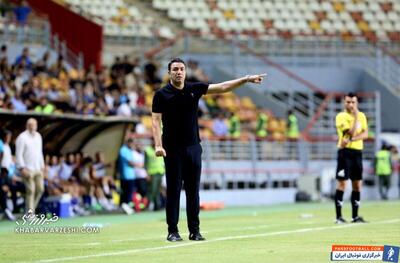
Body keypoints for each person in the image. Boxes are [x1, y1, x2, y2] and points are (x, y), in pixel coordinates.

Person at [152, 58, 266, 242]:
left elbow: (222, 87)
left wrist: (245, 79)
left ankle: (194, 231)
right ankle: (172, 231)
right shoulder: (161, 95)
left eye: (181, 69)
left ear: (185, 71)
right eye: (175, 69)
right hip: (172, 149)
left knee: (193, 191)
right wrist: (158, 145)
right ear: (169, 72)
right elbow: (155, 121)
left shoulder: (193, 89)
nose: (178, 72)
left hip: (194, 148)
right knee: (173, 191)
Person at [334, 93, 368, 224]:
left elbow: (365, 134)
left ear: (357, 102)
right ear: (344, 102)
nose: (351, 105)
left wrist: (353, 139)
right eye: (348, 102)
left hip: (357, 152)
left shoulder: (362, 116)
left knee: (357, 185)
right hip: (345, 153)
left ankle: (355, 217)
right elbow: (351, 132)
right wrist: (355, 117)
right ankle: (339, 217)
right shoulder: (341, 117)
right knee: (342, 183)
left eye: (353, 102)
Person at [15, 118, 45, 214]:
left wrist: (42, 165)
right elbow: (18, 154)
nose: (32, 127)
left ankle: (29, 210)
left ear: (36, 126)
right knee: (31, 190)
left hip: (37, 168)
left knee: (40, 189)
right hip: (27, 169)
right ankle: (30, 213)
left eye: (34, 125)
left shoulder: (38, 136)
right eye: (30, 125)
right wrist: (22, 168)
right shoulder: (22, 137)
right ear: (27, 126)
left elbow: (40, 152)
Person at [144, 140, 165, 211]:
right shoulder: (147, 150)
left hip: (160, 172)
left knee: (158, 190)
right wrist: (147, 174)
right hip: (152, 173)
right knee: (152, 190)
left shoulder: (161, 149)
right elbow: (145, 164)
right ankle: (147, 206)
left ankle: (157, 206)